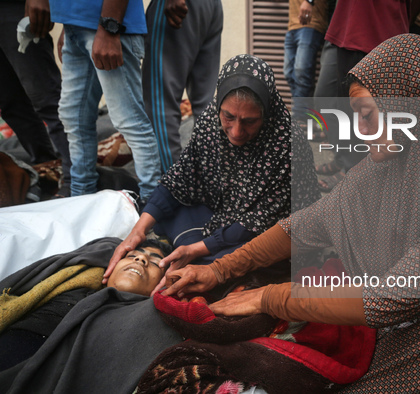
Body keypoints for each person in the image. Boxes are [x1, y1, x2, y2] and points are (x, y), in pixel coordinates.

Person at [159, 35, 420, 391]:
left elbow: (394, 295)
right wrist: (220, 271)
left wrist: (270, 297)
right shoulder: (392, 164)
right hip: (411, 322)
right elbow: (306, 224)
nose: (359, 131)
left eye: (367, 115)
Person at [104, 54, 320, 289]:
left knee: (233, 261)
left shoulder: (287, 143)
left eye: (250, 121)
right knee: (164, 210)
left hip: (271, 231)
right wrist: (138, 230)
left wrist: (196, 249)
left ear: (266, 114)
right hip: (223, 211)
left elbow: (258, 221)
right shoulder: (210, 121)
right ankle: (196, 252)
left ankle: (199, 254)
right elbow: (183, 175)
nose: (236, 132)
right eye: (228, 116)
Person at [0, 237, 183, 393]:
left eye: (154, 262)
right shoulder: (75, 285)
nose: (141, 259)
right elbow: (108, 245)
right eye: (132, 255)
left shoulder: (152, 319)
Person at [48, 0, 162, 200]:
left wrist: (110, 26)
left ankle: (153, 209)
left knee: (130, 121)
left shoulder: (109, 27)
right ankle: (81, 201)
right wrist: (71, 22)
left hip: (109, 26)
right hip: (77, 26)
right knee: (73, 118)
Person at [315, 0, 410, 192]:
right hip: (347, 26)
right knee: (335, 104)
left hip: (381, 29)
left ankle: (355, 173)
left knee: (365, 113)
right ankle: (345, 160)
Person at [0, 0, 71, 196]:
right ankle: (49, 170)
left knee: (45, 97)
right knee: (10, 104)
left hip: (14, 7)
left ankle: (78, 177)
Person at [143, 0, 224, 172]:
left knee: (161, 103)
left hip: (176, 6)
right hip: (211, 6)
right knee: (205, 104)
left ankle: (173, 190)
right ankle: (209, 184)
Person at [282, 0, 328, 124]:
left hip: (311, 24)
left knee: (302, 71)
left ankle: (299, 117)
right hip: (292, 25)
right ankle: (306, 113)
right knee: (289, 72)